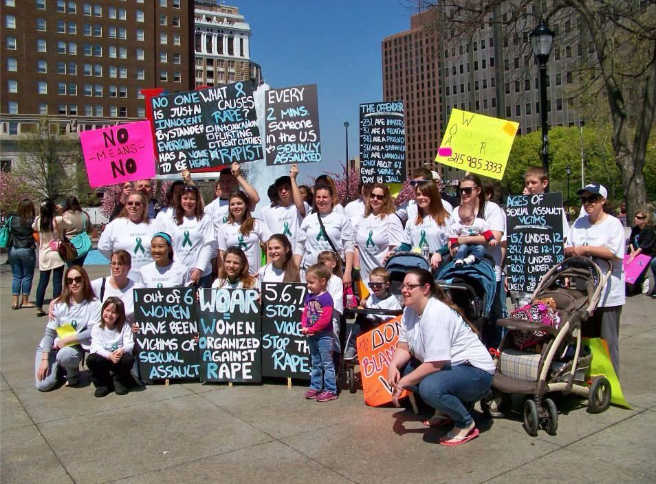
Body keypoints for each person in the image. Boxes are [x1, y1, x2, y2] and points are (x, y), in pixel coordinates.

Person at [387, 268, 495, 446]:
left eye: (410, 286)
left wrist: (404, 383)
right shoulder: (409, 311)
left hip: (476, 373)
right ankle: (446, 410)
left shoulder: (436, 313)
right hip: (450, 368)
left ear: (425, 288)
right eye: (403, 285)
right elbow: (404, 347)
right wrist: (392, 366)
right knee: (402, 368)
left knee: (429, 388)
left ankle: (465, 422)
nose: (404, 290)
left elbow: (435, 364)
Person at [566, 183, 625, 376]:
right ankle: (587, 376)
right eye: (584, 199)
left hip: (608, 291)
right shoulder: (579, 223)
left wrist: (586, 249)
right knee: (587, 338)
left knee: (607, 339)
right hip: (584, 290)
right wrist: (573, 251)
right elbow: (568, 247)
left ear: (602, 201)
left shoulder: (613, 224)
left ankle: (610, 380)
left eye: (592, 199)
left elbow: (614, 253)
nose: (587, 203)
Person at [453, 174, 506, 347]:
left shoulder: (492, 209)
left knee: (493, 314)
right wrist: (454, 244)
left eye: (468, 190)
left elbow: (496, 237)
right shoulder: (457, 211)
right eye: (460, 190)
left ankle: (496, 350)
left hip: (490, 271)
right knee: (469, 313)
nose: (464, 193)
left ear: (478, 190)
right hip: (466, 273)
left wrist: (466, 240)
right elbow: (452, 236)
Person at [34, 266, 102, 391]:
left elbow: (92, 331)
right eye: (70, 280)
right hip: (51, 346)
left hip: (71, 346)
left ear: (84, 280)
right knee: (43, 385)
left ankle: (72, 373)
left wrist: (66, 341)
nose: (74, 283)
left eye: (78, 279)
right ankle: (58, 369)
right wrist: (45, 359)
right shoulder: (59, 304)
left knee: (66, 356)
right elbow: (50, 333)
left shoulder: (94, 304)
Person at [294, 182, 355, 287]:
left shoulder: (341, 219)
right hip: (310, 273)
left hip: (333, 274)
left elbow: (349, 247)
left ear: (332, 198)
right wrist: (294, 270)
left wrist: (348, 272)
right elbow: (300, 247)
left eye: (325, 197)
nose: (321, 200)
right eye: (318, 197)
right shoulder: (308, 219)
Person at [156, 185, 217, 287]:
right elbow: (171, 247)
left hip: (202, 275)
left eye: (192, 199)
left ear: (197, 201)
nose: (188, 202)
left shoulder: (205, 219)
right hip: (179, 273)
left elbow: (209, 245)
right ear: (180, 200)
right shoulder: (171, 221)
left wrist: (199, 268)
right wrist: (179, 268)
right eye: (185, 198)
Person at [344, 267, 402, 360]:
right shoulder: (371, 297)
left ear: (387, 285)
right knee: (360, 319)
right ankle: (353, 346)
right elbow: (369, 311)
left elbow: (394, 319)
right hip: (371, 326)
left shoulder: (392, 300)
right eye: (371, 285)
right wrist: (365, 306)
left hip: (384, 329)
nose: (374, 287)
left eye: (378, 285)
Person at [98, 191, 155, 281]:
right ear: (126, 205)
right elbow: (103, 247)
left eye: (137, 203)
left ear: (144, 206)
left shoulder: (154, 224)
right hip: (123, 280)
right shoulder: (115, 225)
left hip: (149, 279)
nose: (133, 206)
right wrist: (118, 260)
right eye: (130, 203)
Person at [301, 263, 337, 402]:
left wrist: (311, 328)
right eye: (307, 282)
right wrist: (304, 326)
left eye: (311, 282)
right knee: (315, 361)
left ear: (322, 281)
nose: (308, 285)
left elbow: (325, 319)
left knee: (327, 363)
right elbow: (305, 313)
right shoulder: (309, 297)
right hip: (312, 334)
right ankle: (315, 386)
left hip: (324, 336)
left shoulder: (326, 298)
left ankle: (330, 389)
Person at [397, 181, 451, 271]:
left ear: (433, 196)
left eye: (425, 194)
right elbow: (406, 244)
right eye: (418, 194)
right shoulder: (412, 221)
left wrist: (439, 253)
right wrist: (394, 252)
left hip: (438, 267)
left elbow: (450, 242)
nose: (421, 197)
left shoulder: (445, 218)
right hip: (415, 267)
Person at [356, 183, 404, 284]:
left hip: (383, 278)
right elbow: (356, 246)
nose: (375, 199)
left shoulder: (391, 219)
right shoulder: (362, 219)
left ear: (385, 199)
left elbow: (397, 246)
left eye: (379, 197)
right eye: (372, 195)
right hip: (364, 278)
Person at [87, 297, 135, 397]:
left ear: (119, 315)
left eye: (114, 312)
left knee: (128, 358)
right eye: (107, 310)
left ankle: (119, 379)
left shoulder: (124, 326)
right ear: (103, 310)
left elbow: (130, 344)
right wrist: (109, 355)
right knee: (92, 359)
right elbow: (96, 347)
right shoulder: (97, 327)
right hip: (104, 359)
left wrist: (122, 350)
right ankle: (103, 383)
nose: (109, 314)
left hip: (118, 359)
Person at [218, 191, 272, 275]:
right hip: (233, 276)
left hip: (254, 276)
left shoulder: (257, 223)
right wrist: (221, 277)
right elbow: (222, 255)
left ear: (246, 205)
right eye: (232, 204)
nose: (236, 207)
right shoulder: (223, 228)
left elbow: (270, 244)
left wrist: (267, 269)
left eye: (239, 203)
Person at [262, 165, 309, 248]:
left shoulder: (300, 207)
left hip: (298, 256)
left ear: (292, 189)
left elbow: (300, 204)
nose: (283, 191)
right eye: (280, 189)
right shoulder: (270, 213)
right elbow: (268, 240)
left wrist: (293, 179)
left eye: (287, 188)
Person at [33, 199, 65, 318]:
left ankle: (39, 307)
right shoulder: (56, 220)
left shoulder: (38, 220)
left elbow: (33, 226)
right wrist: (60, 210)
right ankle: (55, 307)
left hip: (44, 254)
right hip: (56, 253)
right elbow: (67, 221)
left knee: (43, 282)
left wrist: (41, 213)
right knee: (57, 282)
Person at [205, 162, 260, 227]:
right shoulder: (210, 208)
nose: (225, 185)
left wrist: (238, 176)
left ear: (234, 181)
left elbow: (255, 198)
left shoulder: (241, 202)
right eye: (222, 181)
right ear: (219, 182)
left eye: (228, 181)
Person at [90, 250, 137, 325]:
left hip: (128, 334)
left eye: (120, 264)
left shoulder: (137, 289)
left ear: (129, 267)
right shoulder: (99, 285)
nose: (116, 267)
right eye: (113, 263)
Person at [8, 199, 37, 310]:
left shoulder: (12, 219)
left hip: (13, 248)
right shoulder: (31, 221)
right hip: (26, 249)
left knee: (16, 276)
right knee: (27, 276)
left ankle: (15, 301)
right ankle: (25, 301)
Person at [56, 195, 92, 267]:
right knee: (79, 267)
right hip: (83, 244)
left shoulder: (65, 216)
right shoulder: (84, 215)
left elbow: (60, 231)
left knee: (71, 268)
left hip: (70, 246)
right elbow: (90, 229)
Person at [627, 208, 656, 297]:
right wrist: (632, 252)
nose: (636, 219)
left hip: (647, 252)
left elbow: (644, 246)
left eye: (639, 218)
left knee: (637, 261)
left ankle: (642, 280)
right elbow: (631, 241)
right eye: (635, 217)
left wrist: (634, 255)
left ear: (644, 219)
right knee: (627, 261)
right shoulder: (635, 229)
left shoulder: (649, 230)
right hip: (636, 251)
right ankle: (632, 284)